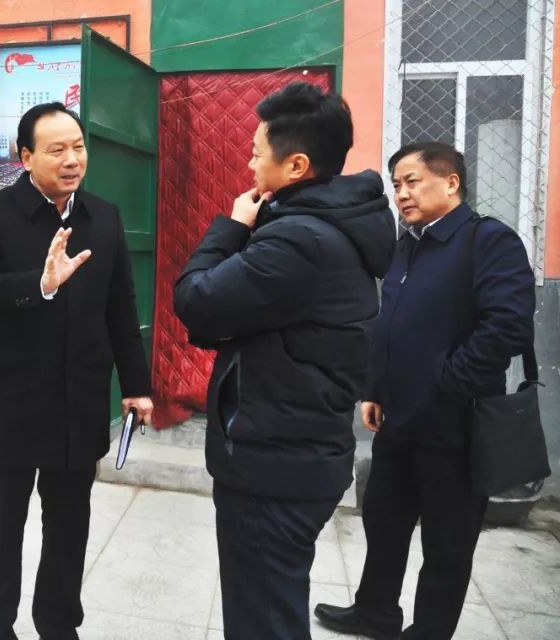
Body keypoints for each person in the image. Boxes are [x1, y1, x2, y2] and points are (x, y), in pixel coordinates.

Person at [172, 82, 395, 639]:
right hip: (295, 453)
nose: (249, 164)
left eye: (256, 153)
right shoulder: (325, 229)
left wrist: (230, 228)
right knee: (272, 606)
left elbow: (195, 301)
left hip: (274, 466)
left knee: (263, 619)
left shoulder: (297, 241)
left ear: (295, 165)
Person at [315, 142, 536, 640]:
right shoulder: (408, 244)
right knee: (383, 522)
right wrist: (375, 387)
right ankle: (375, 612)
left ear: (451, 182)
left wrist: (448, 381)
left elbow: (508, 325)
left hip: (455, 425)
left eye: (412, 181)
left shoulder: (488, 241)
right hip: (398, 420)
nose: (401, 193)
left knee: (447, 543)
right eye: (396, 184)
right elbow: (390, 322)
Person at [0, 102, 153, 640]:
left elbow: (120, 306)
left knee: (69, 528)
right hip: (10, 404)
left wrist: (136, 386)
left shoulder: (103, 217)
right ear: (26, 157)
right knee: (0, 531)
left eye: (79, 147)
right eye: (57, 150)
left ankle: (59, 625)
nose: (72, 160)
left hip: (77, 403)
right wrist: (40, 285)